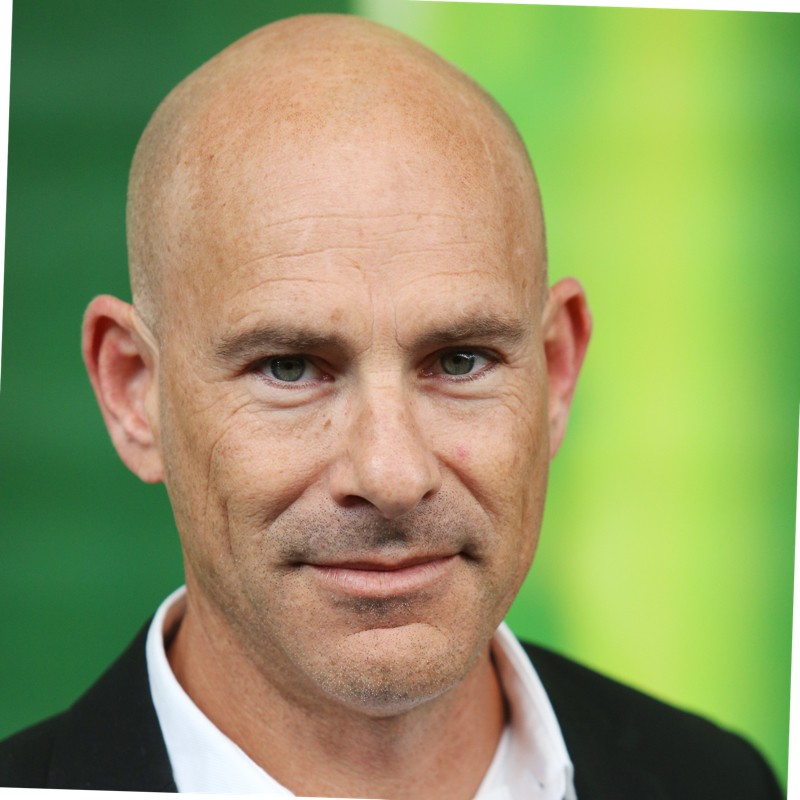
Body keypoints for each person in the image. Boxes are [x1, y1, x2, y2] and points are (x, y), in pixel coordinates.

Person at [0, 13, 784, 800]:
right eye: (289, 369)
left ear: (555, 370)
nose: (392, 474)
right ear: (133, 392)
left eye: (460, 360)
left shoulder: (718, 783)